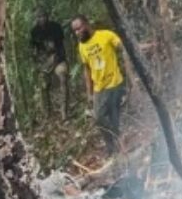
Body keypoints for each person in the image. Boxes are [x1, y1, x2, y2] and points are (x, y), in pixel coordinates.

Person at [71, 15, 126, 157]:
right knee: (99, 118)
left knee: (114, 116)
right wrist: (89, 93)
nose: (77, 33)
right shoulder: (82, 46)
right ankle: (112, 144)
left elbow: (123, 47)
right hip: (99, 88)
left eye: (79, 28)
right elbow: (86, 70)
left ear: (87, 24)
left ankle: (116, 147)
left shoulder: (106, 35)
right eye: (75, 31)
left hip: (114, 83)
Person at [30, 9, 69, 119]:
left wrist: (56, 58)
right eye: (39, 17)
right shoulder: (34, 32)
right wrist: (39, 64)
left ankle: (64, 112)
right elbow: (35, 50)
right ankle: (47, 114)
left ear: (47, 16)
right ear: (36, 19)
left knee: (63, 77)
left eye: (43, 16)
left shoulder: (56, 27)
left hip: (58, 58)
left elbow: (61, 46)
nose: (41, 19)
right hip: (44, 62)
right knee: (43, 85)